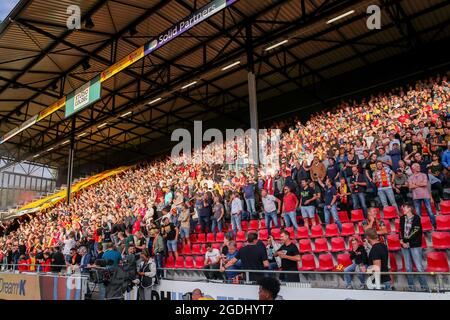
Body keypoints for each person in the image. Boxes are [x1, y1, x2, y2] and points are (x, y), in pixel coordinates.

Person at [399, 204, 429, 291]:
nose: (402, 209)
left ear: (409, 208)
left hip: (414, 245)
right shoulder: (402, 218)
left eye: (404, 207)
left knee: (419, 267)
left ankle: (424, 288)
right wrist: (401, 240)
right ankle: (411, 287)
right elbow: (400, 230)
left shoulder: (416, 218)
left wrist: (407, 241)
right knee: (408, 268)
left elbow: (416, 231)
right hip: (404, 245)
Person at [407, 163, 437, 229]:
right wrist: (419, 184)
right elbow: (410, 186)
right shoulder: (410, 177)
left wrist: (415, 184)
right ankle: (420, 226)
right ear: (413, 168)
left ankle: (434, 224)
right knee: (418, 213)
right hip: (416, 196)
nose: (419, 167)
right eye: (417, 166)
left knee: (429, 211)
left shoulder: (424, 175)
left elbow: (425, 184)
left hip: (425, 195)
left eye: (419, 166)